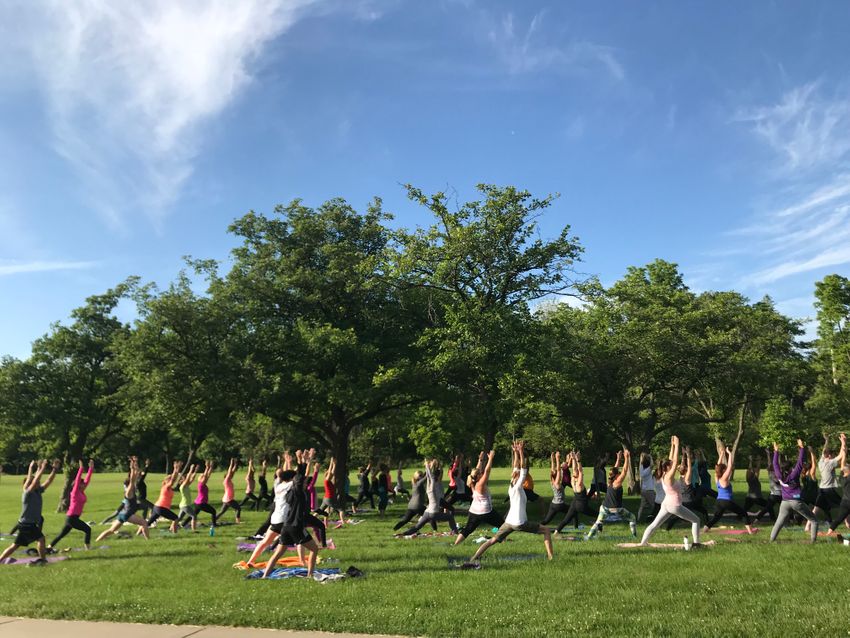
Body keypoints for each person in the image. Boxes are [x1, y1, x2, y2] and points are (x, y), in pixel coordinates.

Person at [468, 441, 553, 562]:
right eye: (519, 475)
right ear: (518, 477)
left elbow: (516, 467)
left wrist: (516, 452)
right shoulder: (519, 486)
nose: (520, 474)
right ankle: (551, 557)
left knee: (492, 540)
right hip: (520, 523)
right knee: (547, 530)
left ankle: (474, 557)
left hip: (508, 522)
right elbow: (523, 467)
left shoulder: (512, 485)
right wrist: (521, 452)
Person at [261, 450, 321, 579]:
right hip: (296, 526)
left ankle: (264, 576)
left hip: (286, 526)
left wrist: (301, 460)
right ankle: (310, 575)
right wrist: (302, 459)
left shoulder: (285, 492)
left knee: (278, 553)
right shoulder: (298, 491)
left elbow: (298, 476)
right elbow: (300, 476)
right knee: (315, 549)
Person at [640, 436, 702, 547]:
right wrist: (677, 445)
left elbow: (671, 459)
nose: (673, 464)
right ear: (668, 466)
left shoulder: (663, 473)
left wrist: (672, 446)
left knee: (655, 524)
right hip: (675, 505)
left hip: (666, 504)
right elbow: (675, 462)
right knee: (696, 520)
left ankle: (643, 543)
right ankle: (697, 543)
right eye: (670, 464)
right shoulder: (669, 476)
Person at [1, 459, 60, 565]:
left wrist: (54, 470)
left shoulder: (38, 491)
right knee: (41, 539)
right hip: (27, 524)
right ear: (30, 484)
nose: (38, 483)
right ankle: (43, 560)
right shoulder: (27, 494)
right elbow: (35, 479)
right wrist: (41, 468)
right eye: (36, 482)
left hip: (25, 524)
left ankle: (0, 559)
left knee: (15, 546)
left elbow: (48, 481)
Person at [768, 439, 818, 543]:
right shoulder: (793, 475)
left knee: (779, 523)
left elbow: (775, 464)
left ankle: (771, 541)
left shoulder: (779, 475)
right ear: (791, 468)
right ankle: (813, 542)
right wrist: (802, 448)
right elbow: (800, 462)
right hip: (796, 502)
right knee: (813, 520)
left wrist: (776, 452)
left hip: (784, 502)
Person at [395, 458, 458, 537]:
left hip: (426, 513)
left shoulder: (428, 487)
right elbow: (431, 477)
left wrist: (427, 466)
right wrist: (428, 467)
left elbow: (429, 477)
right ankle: (455, 532)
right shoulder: (434, 488)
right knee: (450, 517)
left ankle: (402, 534)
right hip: (433, 513)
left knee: (417, 527)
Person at [703, 444, 755, 534]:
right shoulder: (724, 479)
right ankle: (751, 532)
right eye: (725, 469)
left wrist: (722, 454)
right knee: (743, 513)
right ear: (723, 471)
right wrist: (729, 454)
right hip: (726, 501)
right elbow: (730, 466)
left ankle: (705, 529)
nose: (726, 469)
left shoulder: (717, 478)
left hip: (719, 501)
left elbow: (717, 466)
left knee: (716, 517)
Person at [586, 448, 637, 539]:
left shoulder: (610, 480)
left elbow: (615, 469)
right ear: (617, 475)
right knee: (632, 517)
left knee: (598, 522)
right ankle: (634, 536)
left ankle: (589, 537)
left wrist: (618, 458)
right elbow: (625, 471)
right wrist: (627, 458)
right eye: (619, 473)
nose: (620, 474)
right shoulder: (617, 483)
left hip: (604, 508)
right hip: (617, 509)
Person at [454, 449, 503, 545]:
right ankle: (500, 539)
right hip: (485, 511)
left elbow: (476, 471)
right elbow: (487, 471)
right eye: (480, 473)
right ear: (479, 476)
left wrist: (480, 460)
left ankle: (455, 544)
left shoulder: (472, 481)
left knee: (467, 529)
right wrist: (491, 459)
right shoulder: (480, 484)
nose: (482, 473)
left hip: (474, 511)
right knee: (502, 525)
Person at [96, 457, 150, 541]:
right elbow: (132, 478)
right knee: (144, 523)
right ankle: (148, 540)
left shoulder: (130, 489)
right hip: (127, 515)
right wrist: (132, 468)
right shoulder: (129, 490)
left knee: (111, 530)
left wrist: (134, 464)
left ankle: (98, 540)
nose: (136, 483)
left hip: (122, 514)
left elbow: (135, 476)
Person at [48, 459, 94, 552]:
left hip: (72, 517)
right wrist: (81, 469)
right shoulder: (75, 492)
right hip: (72, 518)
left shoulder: (81, 492)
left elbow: (87, 480)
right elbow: (77, 481)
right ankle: (87, 547)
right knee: (88, 529)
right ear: (78, 485)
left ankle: (49, 547)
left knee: (61, 535)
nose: (84, 485)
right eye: (82, 484)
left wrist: (91, 468)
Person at [664, 447, 708, 529]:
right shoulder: (687, 479)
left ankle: (668, 527)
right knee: (703, 512)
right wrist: (687, 455)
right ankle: (707, 525)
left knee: (679, 516)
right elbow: (689, 468)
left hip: (684, 501)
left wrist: (684, 455)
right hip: (690, 502)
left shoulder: (679, 478)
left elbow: (683, 466)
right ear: (686, 470)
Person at [555, 451, 593, 533]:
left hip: (574, 503)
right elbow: (580, 470)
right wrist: (578, 460)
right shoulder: (580, 483)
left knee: (566, 520)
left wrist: (573, 459)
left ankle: (556, 531)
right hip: (581, 505)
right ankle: (598, 529)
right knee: (597, 515)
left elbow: (574, 469)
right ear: (579, 475)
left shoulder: (572, 481)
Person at [814, 433, 847, 526]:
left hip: (821, 489)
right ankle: (848, 523)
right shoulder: (830, 463)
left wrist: (827, 441)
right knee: (844, 506)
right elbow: (841, 455)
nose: (832, 456)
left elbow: (824, 451)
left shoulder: (821, 461)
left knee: (816, 508)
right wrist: (843, 442)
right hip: (829, 490)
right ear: (828, 456)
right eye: (831, 455)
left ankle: (808, 526)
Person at [145, 460, 183, 534]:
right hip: (161, 508)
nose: (170, 481)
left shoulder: (168, 487)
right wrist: (176, 469)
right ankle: (175, 533)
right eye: (168, 479)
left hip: (157, 507)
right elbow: (172, 480)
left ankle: (137, 533)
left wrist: (176, 470)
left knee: (148, 523)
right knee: (176, 518)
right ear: (166, 481)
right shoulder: (166, 487)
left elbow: (173, 479)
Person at [540, 451, 569, 527]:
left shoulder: (552, 480)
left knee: (546, 520)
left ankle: (537, 527)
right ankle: (575, 527)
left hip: (553, 504)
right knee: (573, 512)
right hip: (559, 505)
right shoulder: (557, 483)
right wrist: (557, 458)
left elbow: (553, 469)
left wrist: (552, 458)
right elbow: (559, 470)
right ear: (557, 475)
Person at [826, 460, 850, 539]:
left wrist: (843, 457)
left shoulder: (842, 480)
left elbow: (842, 471)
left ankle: (829, 532)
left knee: (839, 518)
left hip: (845, 502)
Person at [218, 458, 242, 524]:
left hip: (227, 499)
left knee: (222, 512)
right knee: (238, 509)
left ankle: (214, 519)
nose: (231, 475)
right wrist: (231, 463)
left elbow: (232, 472)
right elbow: (229, 472)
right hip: (229, 499)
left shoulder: (229, 480)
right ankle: (238, 522)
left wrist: (235, 464)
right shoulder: (226, 481)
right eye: (229, 475)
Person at [176, 464, 199, 530]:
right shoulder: (182, 487)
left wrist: (195, 471)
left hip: (184, 505)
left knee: (178, 518)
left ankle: (172, 528)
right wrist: (191, 469)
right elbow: (188, 478)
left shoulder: (186, 486)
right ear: (181, 482)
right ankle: (194, 530)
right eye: (184, 479)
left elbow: (191, 479)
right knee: (194, 516)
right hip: (185, 505)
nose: (186, 480)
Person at [637, 452, 656, 523]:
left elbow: (640, 463)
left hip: (643, 490)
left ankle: (638, 519)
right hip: (649, 490)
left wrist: (641, 457)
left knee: (642, 506)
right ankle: (655, 519)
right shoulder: (648, 470)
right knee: (654, 505)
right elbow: (652, 465)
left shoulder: (641, 469)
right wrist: (650, 457)